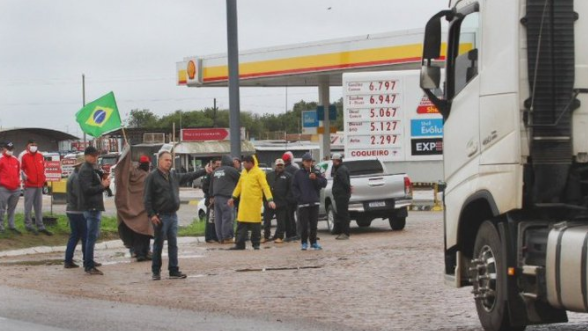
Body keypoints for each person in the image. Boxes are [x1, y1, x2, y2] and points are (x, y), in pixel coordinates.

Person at [144, 151, 209, 280]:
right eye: (166, 160)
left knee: (173, 244)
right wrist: (151, 215)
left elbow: (188, 176)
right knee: (159, 244)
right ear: (160, 161)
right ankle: (156, 271)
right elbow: (147, 199)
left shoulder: (173, 175)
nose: (169, 162)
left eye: (170, 160)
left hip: (173, 215)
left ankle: (173, 270)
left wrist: (204, 171)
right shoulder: (152, 177)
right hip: (160, 216)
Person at [228, 155, 275, 250]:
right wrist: (233, 197)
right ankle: (240, 244)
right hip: (244, 204)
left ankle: (256, 244)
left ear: (250, 163)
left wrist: (270, 200)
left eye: (244, 163)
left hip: (254, 204)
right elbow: (239, 187)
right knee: (241, 224)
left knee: (255, 225)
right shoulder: (244, 173)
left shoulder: (259, 173)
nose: (243, 165)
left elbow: (265, 187)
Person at [115, 152, 153, 262]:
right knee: (143, 232)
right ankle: (142, 252)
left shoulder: (134, 173)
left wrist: (127, 153)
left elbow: (127, 168)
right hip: (142, 209)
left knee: (141, 232)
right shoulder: (146, 175)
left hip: (138, 209)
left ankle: (142, 252)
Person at [79, 146, 110, 275]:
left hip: (93, 207)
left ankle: (89, 261)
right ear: (87, 156)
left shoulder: (91, 169)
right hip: (91, 207)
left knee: (92, 236)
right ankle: (89, 265)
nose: (95, 158)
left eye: (96, 156)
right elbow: (87, 189)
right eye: (93, 156)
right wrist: (102, 186)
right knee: (91, 237)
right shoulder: (86, 169)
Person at [291, 152, 327, 251]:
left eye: (310, 161)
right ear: (303, 162)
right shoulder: (298, 174)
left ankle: (314, 242)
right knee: (304, 225)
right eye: (307, 161)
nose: (309, 163)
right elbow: (294, 187)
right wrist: (299, 197)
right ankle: (304, 243)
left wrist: (315, 179)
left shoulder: (316, 171)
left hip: (314, 202)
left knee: (314, 225)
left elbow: (323, 183)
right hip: (303, 204)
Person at [20, 139, 52, 236]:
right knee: (28, 206)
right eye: (32, 145)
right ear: (28, 146)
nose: (34, 146)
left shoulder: (40, 156)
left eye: (35, 145)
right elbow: (21, 169)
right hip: (29, 185)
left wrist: (43, 179)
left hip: (39, 185)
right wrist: (25, 179)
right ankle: (28, 224)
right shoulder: (24, 156)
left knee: (38, 206)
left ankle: (40, 225)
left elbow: (43, 168)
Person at [209, 155, 240, 244]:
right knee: (227, 218)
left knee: (218, 219)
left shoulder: (215, 171)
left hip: (216, 198)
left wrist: (211, 196)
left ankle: (220, 238)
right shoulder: (231, 170)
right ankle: (227, 237)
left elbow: (211, 185)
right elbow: (241, 181)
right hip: (226, 197)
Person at [262, 158, 292, 244]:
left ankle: (280, 237)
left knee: (281, 222)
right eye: (278, 165)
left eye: (281, 165)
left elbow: (290, 190)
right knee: (266, 221)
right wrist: (265, 201)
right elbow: (264, 187)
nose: (279, 167)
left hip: (281, 203)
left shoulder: (288, 176)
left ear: (284, 166)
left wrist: (286, 200)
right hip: (269, 202)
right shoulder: (269, 175)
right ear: (275, 166)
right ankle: (266, 236)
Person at [64, 156, 86, 268]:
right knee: (84, 236)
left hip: (71, 210)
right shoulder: (77, 179)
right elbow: (79, 196)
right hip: (78, 211)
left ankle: (68, 260)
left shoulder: (72, 176)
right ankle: (87, 259)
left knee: (75, 236)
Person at [0, 142, 22, 235]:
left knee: (12, 208)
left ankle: (11, 225)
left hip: (15, 188)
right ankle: (1, 226)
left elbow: (18, 173)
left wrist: (18, 184)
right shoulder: (0, 159)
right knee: (1, 208)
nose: (10, 151)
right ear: (4, 149)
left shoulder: (16, 160)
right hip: (3, 187)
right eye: (8, 149)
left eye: (12, 149)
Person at [331, 153, 352, 240]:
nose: (333, 162)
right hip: (341, 195)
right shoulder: (340, 169)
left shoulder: (341, 170)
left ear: (337, 161)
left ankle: (345, 233)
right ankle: (344, 232)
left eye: (333, 160)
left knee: (343, 214)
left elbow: (345, 183)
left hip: (342, 196)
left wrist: (346, 192)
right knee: (342, 214)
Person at [201, 157, 221, 243]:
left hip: (218, 201)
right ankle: (209, 237)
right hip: (210, 201)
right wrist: (211, 196)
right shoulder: (209, 174)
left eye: (220, 165)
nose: (218, 167)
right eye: (217, 165)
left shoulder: (220, 174)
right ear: (212, 165)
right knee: (210, 219)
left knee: (217, 219)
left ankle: (216, 236)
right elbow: (204, 187)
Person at [282, 151, 300, 242]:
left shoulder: (284, 171)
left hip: (288, 197)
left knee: (288, 216)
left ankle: (290, 234)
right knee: (296, 216)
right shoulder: (296, 169)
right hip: (296, 196)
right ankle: (296, 233)